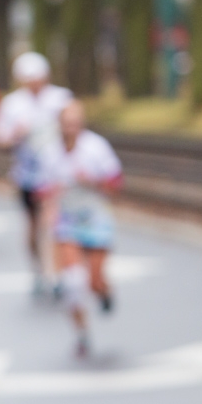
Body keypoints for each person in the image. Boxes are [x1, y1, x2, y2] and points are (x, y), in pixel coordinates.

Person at [0, 52, 73, 296]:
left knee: (52, 223)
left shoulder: (60, 99)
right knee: (33, 227)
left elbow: (76, 128)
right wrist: (15, 133)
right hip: (26, 175)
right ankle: (38, 269)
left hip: (56, 175)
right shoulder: (13, 104)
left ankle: (56, 273)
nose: (34, 82)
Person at [53, 101, 123, 357]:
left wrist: (91, 181)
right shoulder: (51, 152)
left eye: (75, 121)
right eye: (66, 122)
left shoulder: (96, 148)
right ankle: (81, 334)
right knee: (72, 282)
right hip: (68, 222)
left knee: (94, 282)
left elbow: (116, 182)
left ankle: (104, 292)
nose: (71, 127)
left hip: (95, 220)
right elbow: (45, 188)